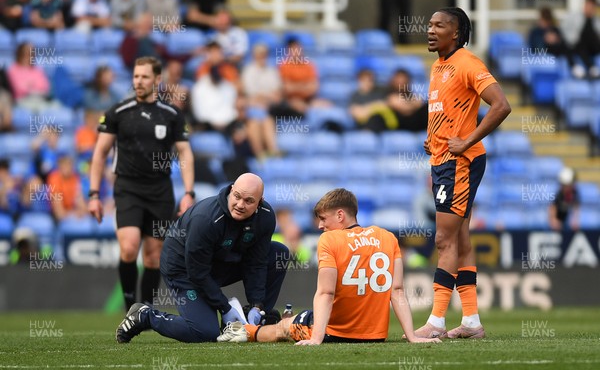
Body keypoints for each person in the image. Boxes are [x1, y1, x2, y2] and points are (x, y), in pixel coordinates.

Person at [217, 188, 441, 344]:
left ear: (340, 215)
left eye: (323, 219)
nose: (320, 226)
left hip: (336, 332)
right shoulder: (387, 237)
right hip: (375, 334)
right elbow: (398, 291)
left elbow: (326, 292)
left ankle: (243, 329)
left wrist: (316, 338)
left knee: (284, 328)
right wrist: (411, 336)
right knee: (292, 318)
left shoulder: (330, 240)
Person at [416, 7, 511, 339]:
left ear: (455, 33)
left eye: (439, 25)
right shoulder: (439, 65)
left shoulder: (468, 63)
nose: (430, 29)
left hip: (460, 162)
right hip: (444, 159)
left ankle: (436, 322)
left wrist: (466, 141)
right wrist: (435, 140)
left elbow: (501, 105)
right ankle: (471, 322)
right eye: (429, 24)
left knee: (444, 240)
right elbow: (449, 113)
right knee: (461, 239)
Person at [114, 173, 289, 343]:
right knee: (205, 332)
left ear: (260, 202)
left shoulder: (265, 217)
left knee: (278, 253)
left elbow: (256, 263)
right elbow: (197, 272)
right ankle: (145, 315)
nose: (240, 205)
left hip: (221, 262)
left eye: (249, 201)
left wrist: (257, 304)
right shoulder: (206, 219)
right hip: (183, 269)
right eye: (237, 196)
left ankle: (254, 321)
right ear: (231, 190)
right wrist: (225, 307)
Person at [88, 56, 196, 312]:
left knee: (153, 254)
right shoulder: (117, 112)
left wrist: (189, 192)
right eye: (136, 76)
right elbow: (100, 153)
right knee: (128, 247)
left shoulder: (172, 115)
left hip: (160, 191)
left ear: (157, 80)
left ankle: (144, 310)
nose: (139, 81)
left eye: (145, 76)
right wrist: (93, 194)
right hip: (128, 188)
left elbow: (185, 153)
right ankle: (129, 308)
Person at [241, 44, 282, 159]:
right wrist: (267, 96)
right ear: (254, 56)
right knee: (255, 123)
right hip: (253, 108)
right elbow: (251, 95)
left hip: (268, 108)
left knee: (267, 121)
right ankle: (260, 156)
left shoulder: (272, 71)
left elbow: (277, 95)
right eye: (259, 55)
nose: (262, 57)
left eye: (264, 54)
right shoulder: (248, 70)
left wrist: (262, 97)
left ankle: (273, 153)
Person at [561, 0, 600, 79]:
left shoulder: (596, 21)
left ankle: (589, 68)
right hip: (578, 45)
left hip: (593, 46)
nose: (589, 8)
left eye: (591, 7)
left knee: (587, 39)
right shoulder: (575, 17)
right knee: (579, 43)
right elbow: (565, 31)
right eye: (588, 6)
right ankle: (590, 67)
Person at [548, 167, 580, 231]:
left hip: (566, 221)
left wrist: (575, 220)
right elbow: (552, 207)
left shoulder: (575, 193)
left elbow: (576, 207)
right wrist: (553, 220)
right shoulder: (559, 194)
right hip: (558, 223)